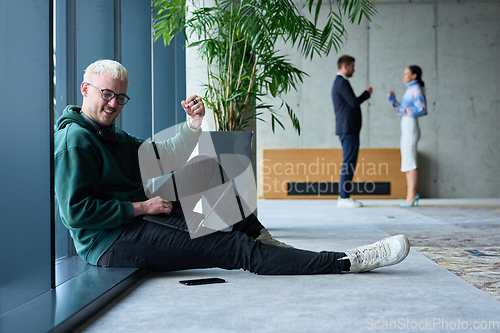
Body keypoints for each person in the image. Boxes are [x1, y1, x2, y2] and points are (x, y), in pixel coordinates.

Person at [54, 59, 410, 275]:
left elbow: (164, 155)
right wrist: (141, 207)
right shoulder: (77, 140)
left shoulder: (109, 134)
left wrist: (194, 124)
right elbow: (76, 212)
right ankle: (346, 261)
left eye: (120, 96)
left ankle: (263, 238)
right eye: (106, 94)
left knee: (211, 167)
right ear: (86, 89)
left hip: (137, 215)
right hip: (111, 241)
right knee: (235, 248)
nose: (114, 103)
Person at [331, 55, 372, 208]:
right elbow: (354, 102)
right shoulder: (341, 82)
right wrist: (366, 93)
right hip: (347, 129)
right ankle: (344, 197)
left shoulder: (340, 82)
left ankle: (344, 196)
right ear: (345, 66)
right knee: (349, 162)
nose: (354, 70)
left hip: (348, 129)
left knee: (349, 162)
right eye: (352, 66)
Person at [387, 65, 427, 207]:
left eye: (406, 73)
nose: (403, 76)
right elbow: (402, 110)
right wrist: (394, 102)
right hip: (406, 125)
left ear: (414, 76)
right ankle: (410, 192)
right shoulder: (409, 90)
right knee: (406, 159)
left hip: (411, 126)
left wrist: (402, 108)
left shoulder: (415, 89)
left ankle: (412, 193)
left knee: (410, 160)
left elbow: (421, 109)